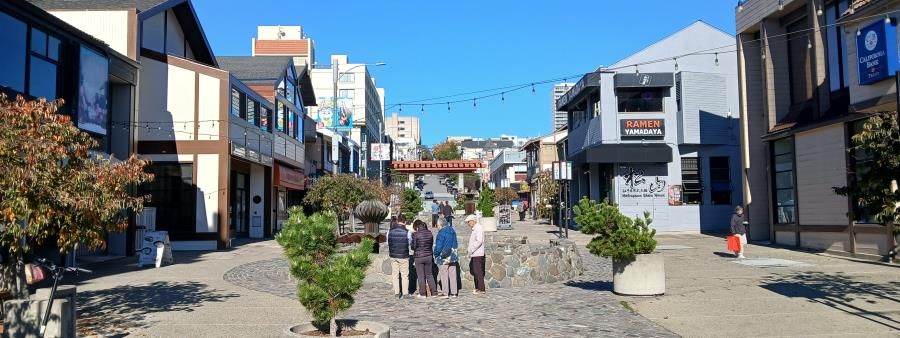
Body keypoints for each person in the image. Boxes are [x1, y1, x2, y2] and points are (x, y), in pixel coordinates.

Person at [411, 220, 438, 299]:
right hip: (429, 256)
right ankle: (434, 293)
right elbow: (431, 244)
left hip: (419, 257)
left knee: (420, 276)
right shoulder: (430, 233)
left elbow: (413, 247)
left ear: (417, 227)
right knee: (429, 275)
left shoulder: (415, 234)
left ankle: (423, 294)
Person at [387, 214, 412, 299]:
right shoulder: (407, 232)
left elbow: (388, 243)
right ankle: (405, 293)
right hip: (403, 255)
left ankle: (397, 293)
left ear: (397, 221)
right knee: (405, 275)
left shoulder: (389, 230)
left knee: (395, 275)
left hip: (393, 255)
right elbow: (409, 243)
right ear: (405, 221)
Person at [433, 218, 459, 298]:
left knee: (444, 274)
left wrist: (436, 254)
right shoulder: (452, 231)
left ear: (440, 225)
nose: (437, 227)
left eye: (437, 225)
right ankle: (454, 292)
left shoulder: (441, 233)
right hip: (453, 254)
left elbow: (438, 247)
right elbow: (456, 243)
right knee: (453, 273)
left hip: (444, 255)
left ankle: (445, 293)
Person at [465, 214, 486, 294]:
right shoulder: (475, 229)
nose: (468, 224)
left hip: (478, 253)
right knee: (475, 271)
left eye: (469, 222)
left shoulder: (478, 228)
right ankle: (478, 287)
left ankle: (481, 288)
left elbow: (479, 241)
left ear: (473, 221)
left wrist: (472, 249)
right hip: (475, 253)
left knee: (478, 272)